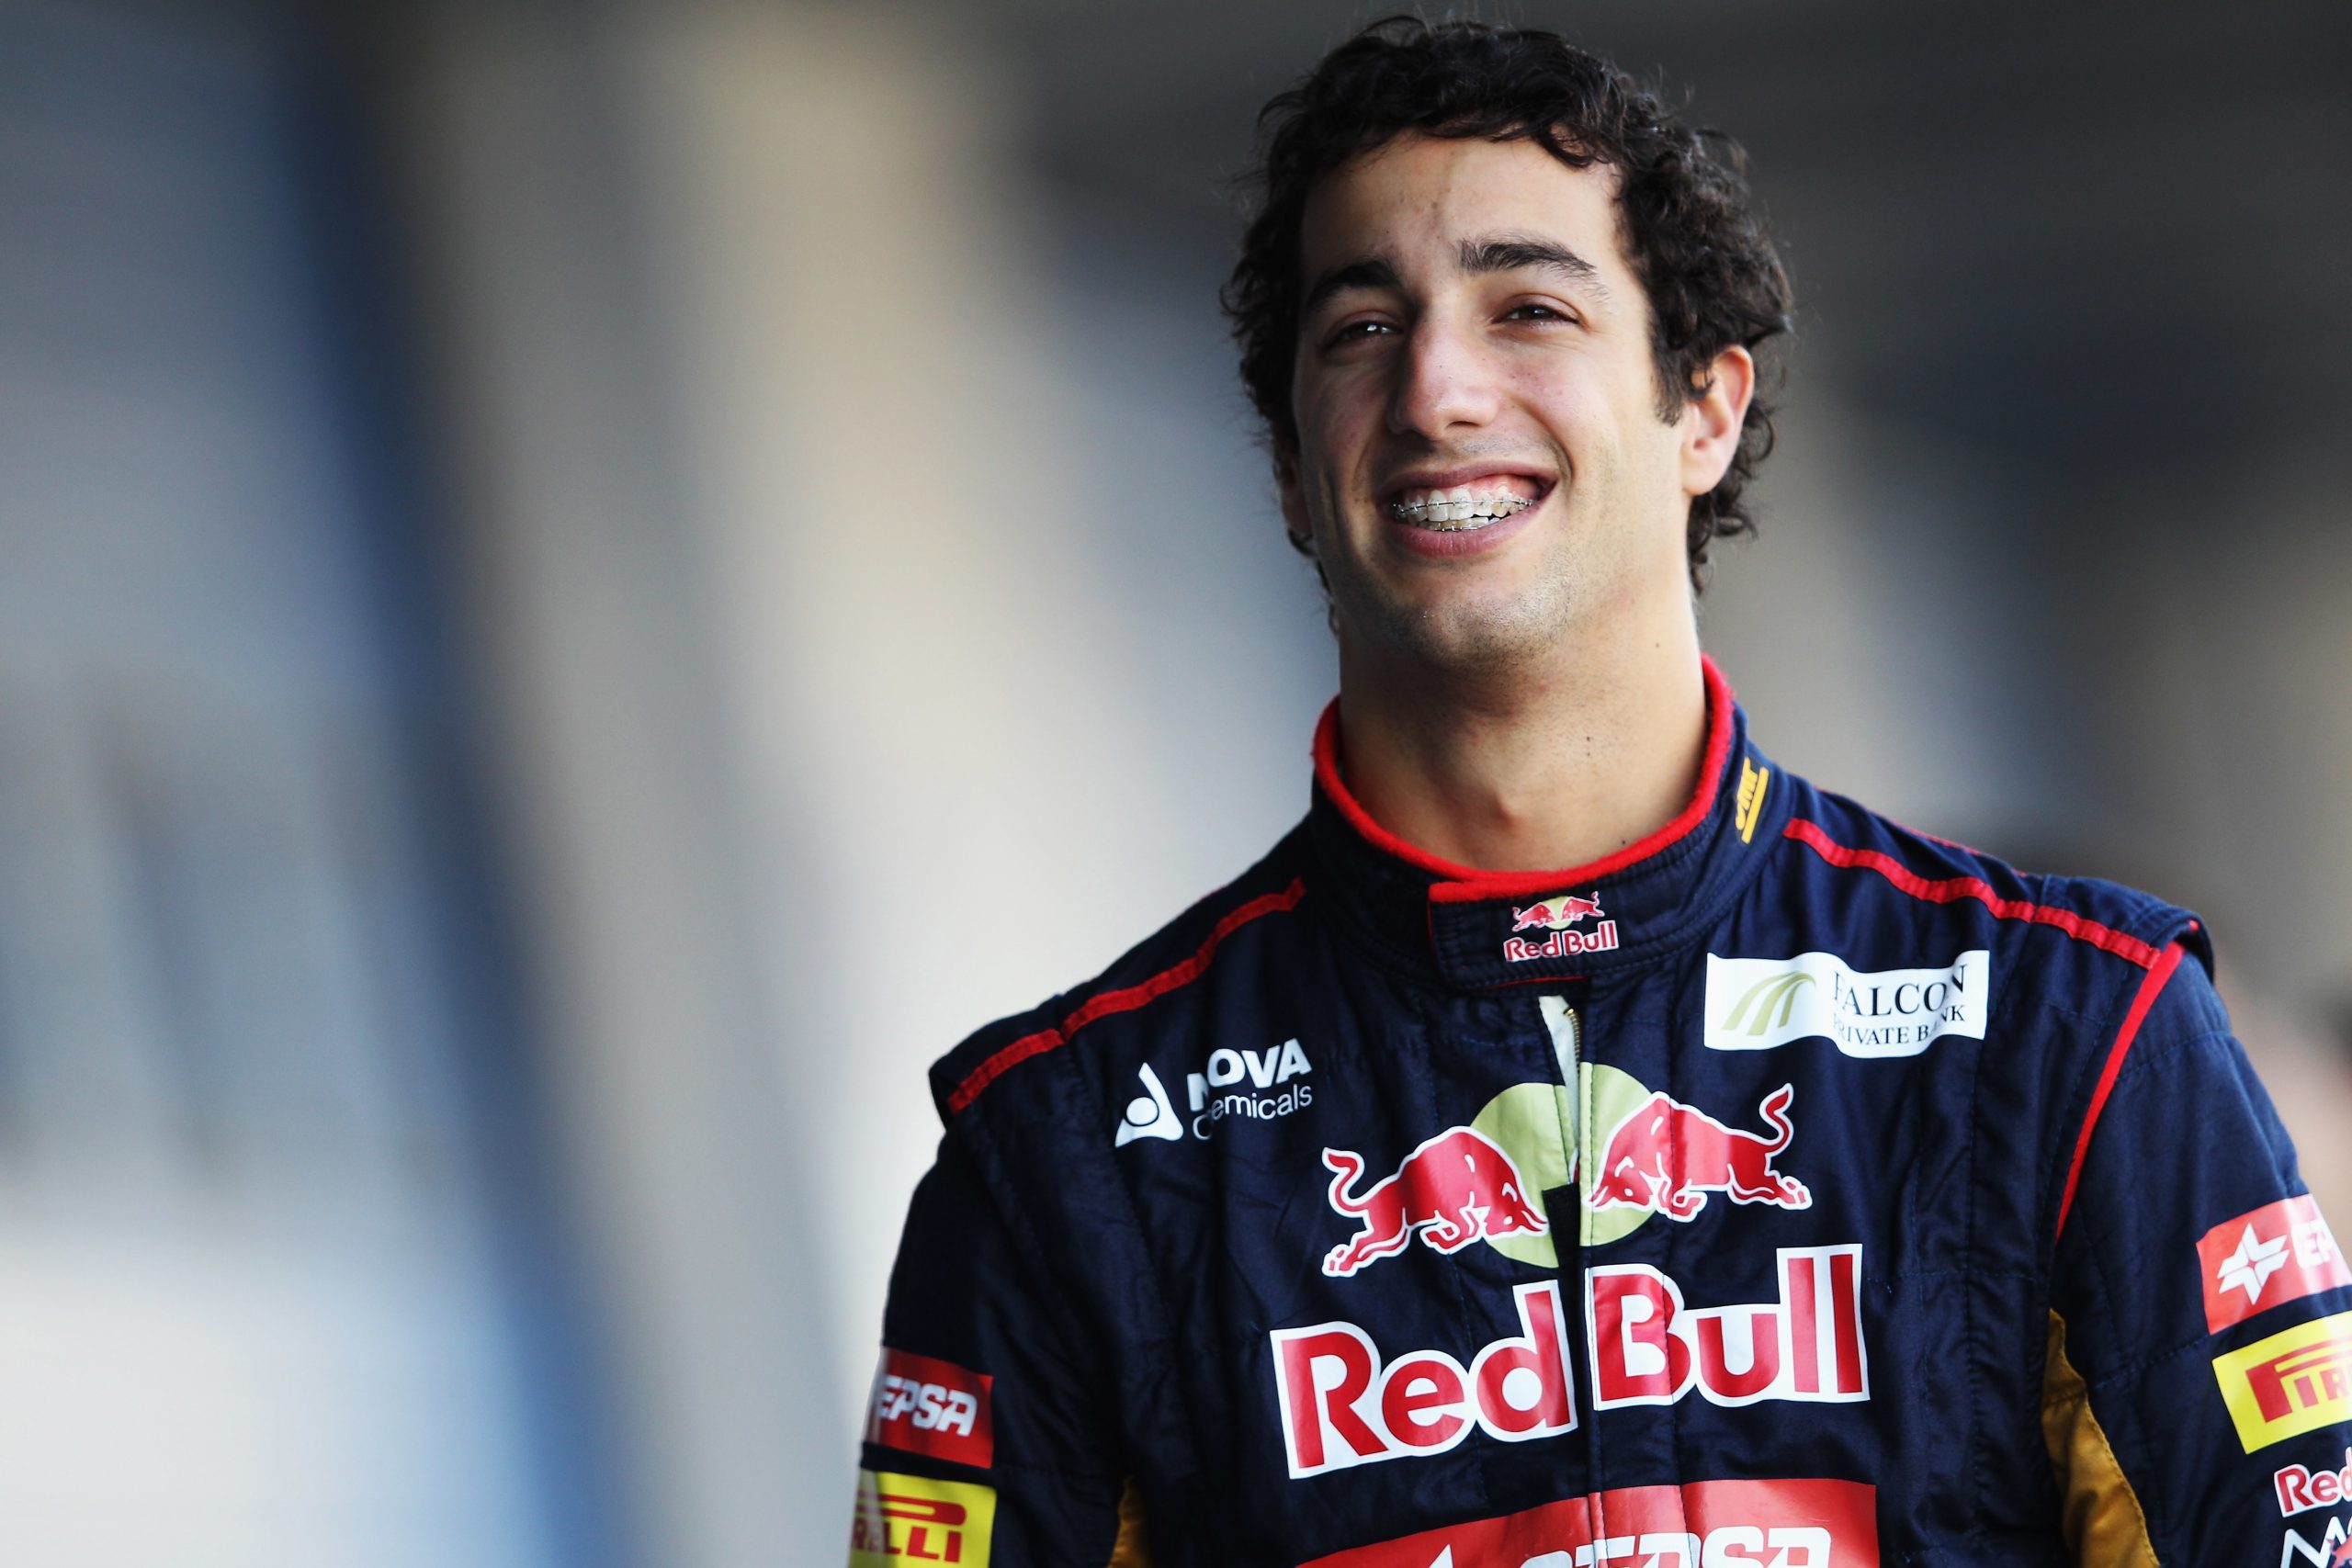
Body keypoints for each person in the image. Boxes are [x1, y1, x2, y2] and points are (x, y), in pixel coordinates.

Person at [849, 19, 2352, 1568]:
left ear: (1702, 408)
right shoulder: (1066, 1152)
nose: (1438, 388)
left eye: (1530, 308)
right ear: (1292, 472)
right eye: (1362, 329)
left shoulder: (2067, 1031)